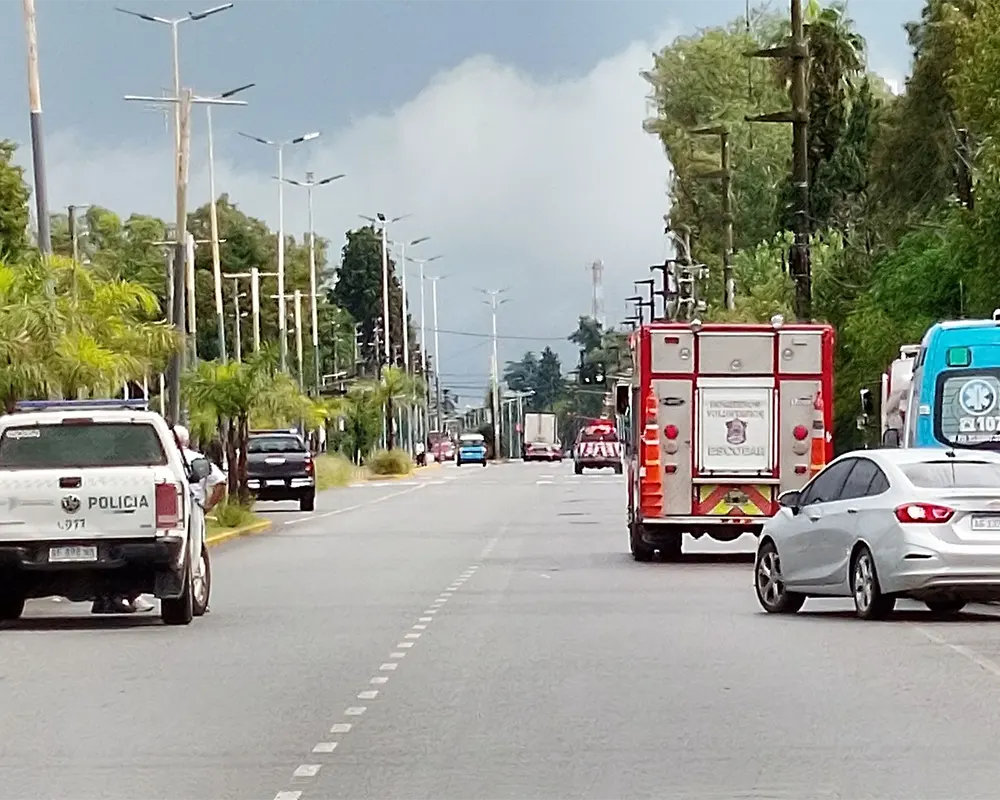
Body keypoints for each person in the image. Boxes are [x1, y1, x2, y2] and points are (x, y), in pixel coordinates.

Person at [93, 425, 227, 614]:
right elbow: (220, 482)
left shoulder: (150, 460)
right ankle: (193, 596)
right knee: (192, 553)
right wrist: (207, 505)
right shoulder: (188, 460)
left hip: (154, 514)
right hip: (186, 509)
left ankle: (116, 597)